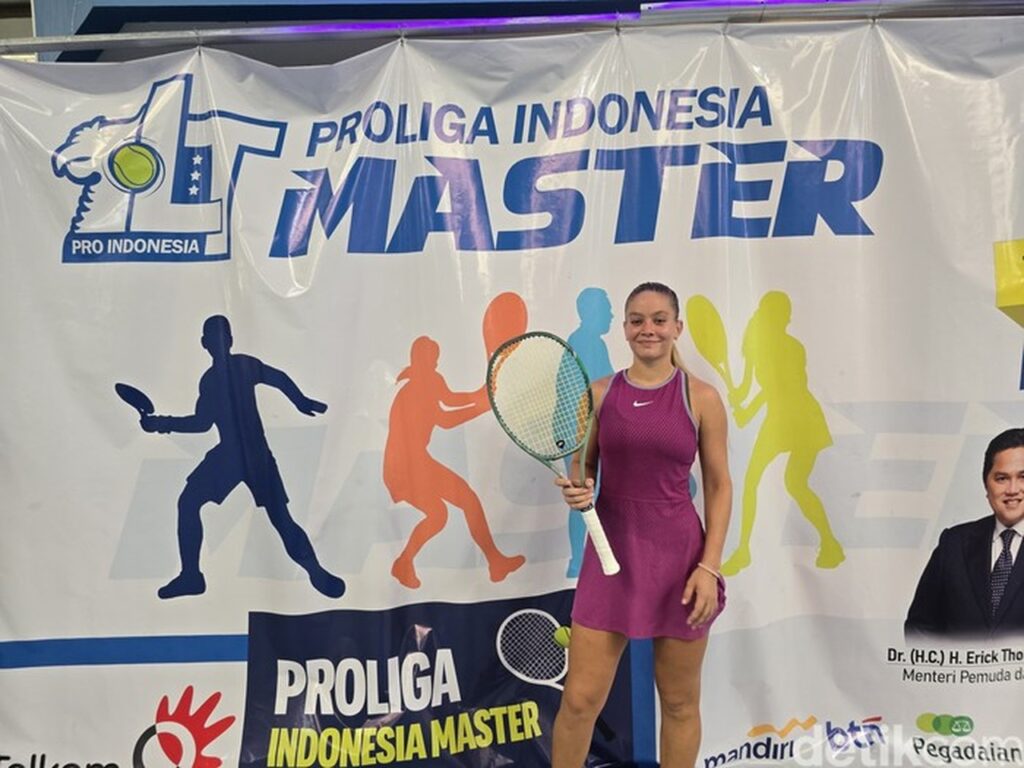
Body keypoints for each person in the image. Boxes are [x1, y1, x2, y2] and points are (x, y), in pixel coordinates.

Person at [553, 282, 731, 768]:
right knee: (579, 702)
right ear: (626, 329)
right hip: (610, 561)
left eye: (658, 320)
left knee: (679, 703)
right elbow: (584, 466)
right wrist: (580, 487)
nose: (647, 329)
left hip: (681, 564)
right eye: (636, 320)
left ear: (677, 327)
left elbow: (719, 486)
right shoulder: (599, 394)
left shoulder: (702, 398)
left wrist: (709, 568)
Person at [141, 315, 345, 599]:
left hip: (253, 454)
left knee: (280, 518)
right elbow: (202, 423)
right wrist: (162, 423)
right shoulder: (213, 379)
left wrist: (300, 400)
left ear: (226, 341)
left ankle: (316, 571)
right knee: (189, 502)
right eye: (215, 337)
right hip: (232, 454)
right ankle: (191, 576)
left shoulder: (240, 366)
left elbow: (277, 378)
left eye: (221, 336)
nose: (218, 342)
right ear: (205, 343)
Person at [384, 335, 525, 589]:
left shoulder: (431, 379)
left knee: (440, 514)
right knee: (459, 504)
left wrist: (482, 393)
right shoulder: (414, 390)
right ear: (419, 360)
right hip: (403, 466)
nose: (435, 364)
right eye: (431, 360)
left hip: (415, 461)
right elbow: (445, 419)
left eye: (436, 360)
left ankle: (404, 563)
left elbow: (451, 399)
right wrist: (483, 407)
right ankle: (493, 562)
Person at [722, 291, 843, 575]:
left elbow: (782, 389)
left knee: (794, 483)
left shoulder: (793, 348)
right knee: (753, 481)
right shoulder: (754, 345)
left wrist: (747, 411)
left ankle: (830, 543)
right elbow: (748, 389)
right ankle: (743, 551)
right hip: (779, 418)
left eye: (784, 314)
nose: (784, 319)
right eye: (780, 313)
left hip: (802, 418)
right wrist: (740, 402)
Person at [905, 428, 1024, 640]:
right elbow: (920, 628)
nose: (1012, 489)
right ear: (986, 485)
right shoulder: (953, 544)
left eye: (1023, 477)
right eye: (1001, 478)